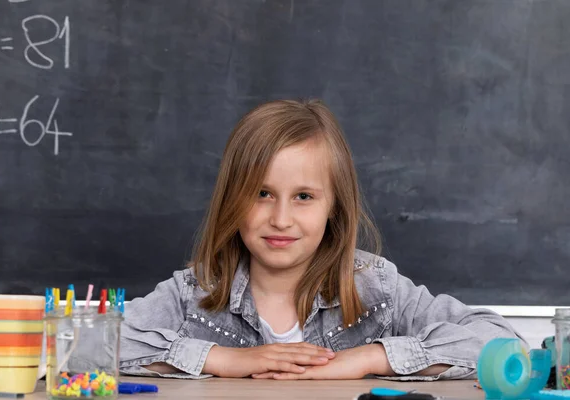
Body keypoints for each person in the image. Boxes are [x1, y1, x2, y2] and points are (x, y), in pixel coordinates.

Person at [118, 99, 521, 381]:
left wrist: (369, 359)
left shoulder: (374, 287)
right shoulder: (197, 291)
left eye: (304, 197)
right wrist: (224, 359)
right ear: (232, 198)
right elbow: (86, 344)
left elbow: (504, 342)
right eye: (262, 194)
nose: (280, 219)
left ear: (333, 206)